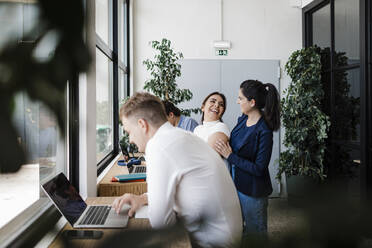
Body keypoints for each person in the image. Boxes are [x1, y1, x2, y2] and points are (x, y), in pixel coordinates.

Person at [112, 92, 242, 248]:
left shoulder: (159, 145)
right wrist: (141, 199)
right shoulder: (181, 135)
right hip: (226, 236)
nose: (131, 139)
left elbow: (161, 223)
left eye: (129, 132)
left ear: (142, 124)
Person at [214, 80, 280, 235]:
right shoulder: (243, 119)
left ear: (252, 102)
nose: (237, 102)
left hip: (253, 191)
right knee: (239, 230)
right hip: (236, 183)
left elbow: (259, 168)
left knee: (255, 233)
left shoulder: (264, 130)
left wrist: (230, 156)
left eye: (240, 98)